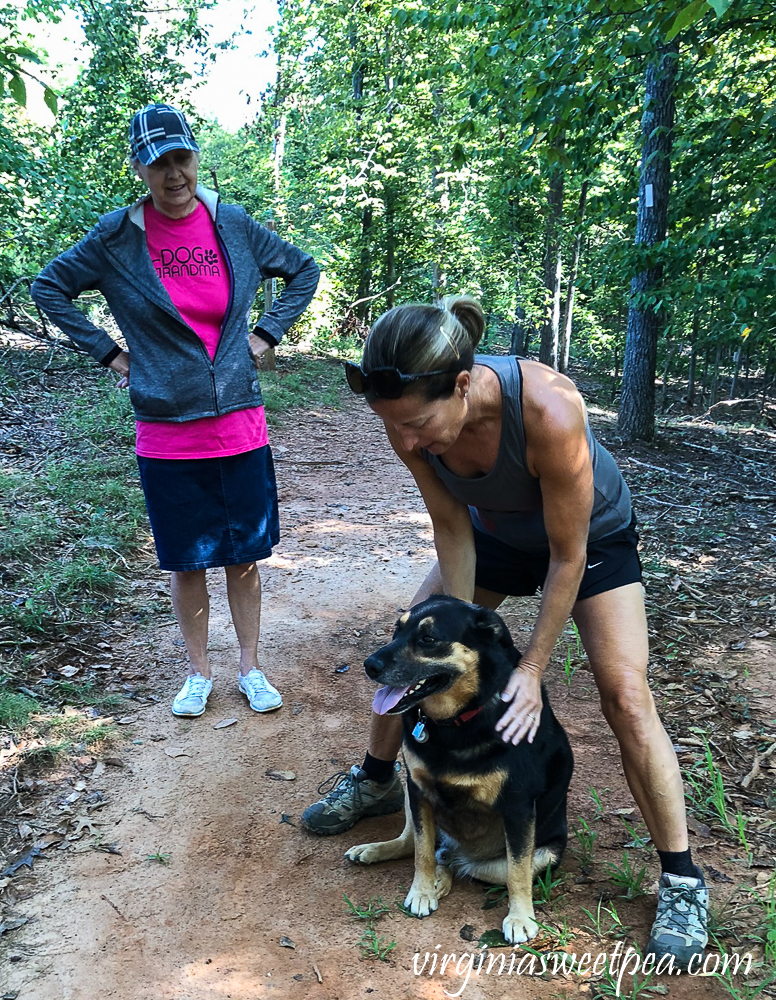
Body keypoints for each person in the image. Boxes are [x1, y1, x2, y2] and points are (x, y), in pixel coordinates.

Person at [302, 296, 708, 968]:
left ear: (462, 384)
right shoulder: (404, 405)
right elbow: (454, 527)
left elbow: (567, 556)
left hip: (590, 544)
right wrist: (449, 654)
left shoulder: (549, 406)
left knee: (625, 695)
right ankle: (377, 780)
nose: (407, 443)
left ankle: (683, 878)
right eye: (395, 428)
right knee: (409, 656)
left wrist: (529, 668)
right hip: (490, 537)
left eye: (418, 426)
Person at [32, 103, 319, 719]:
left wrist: (267, 333)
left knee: (243, 555)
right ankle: (198, 673)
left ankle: (250, 666)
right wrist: (109, 353)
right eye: (157, 163)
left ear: (195, 157)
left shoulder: (231, 223)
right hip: (166, 432)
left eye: (181, 158)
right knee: (186, 559)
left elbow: (301, 270)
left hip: (240, 422)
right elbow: (47, 286)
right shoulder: (117, 239)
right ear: (139, 168)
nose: (173, 174)